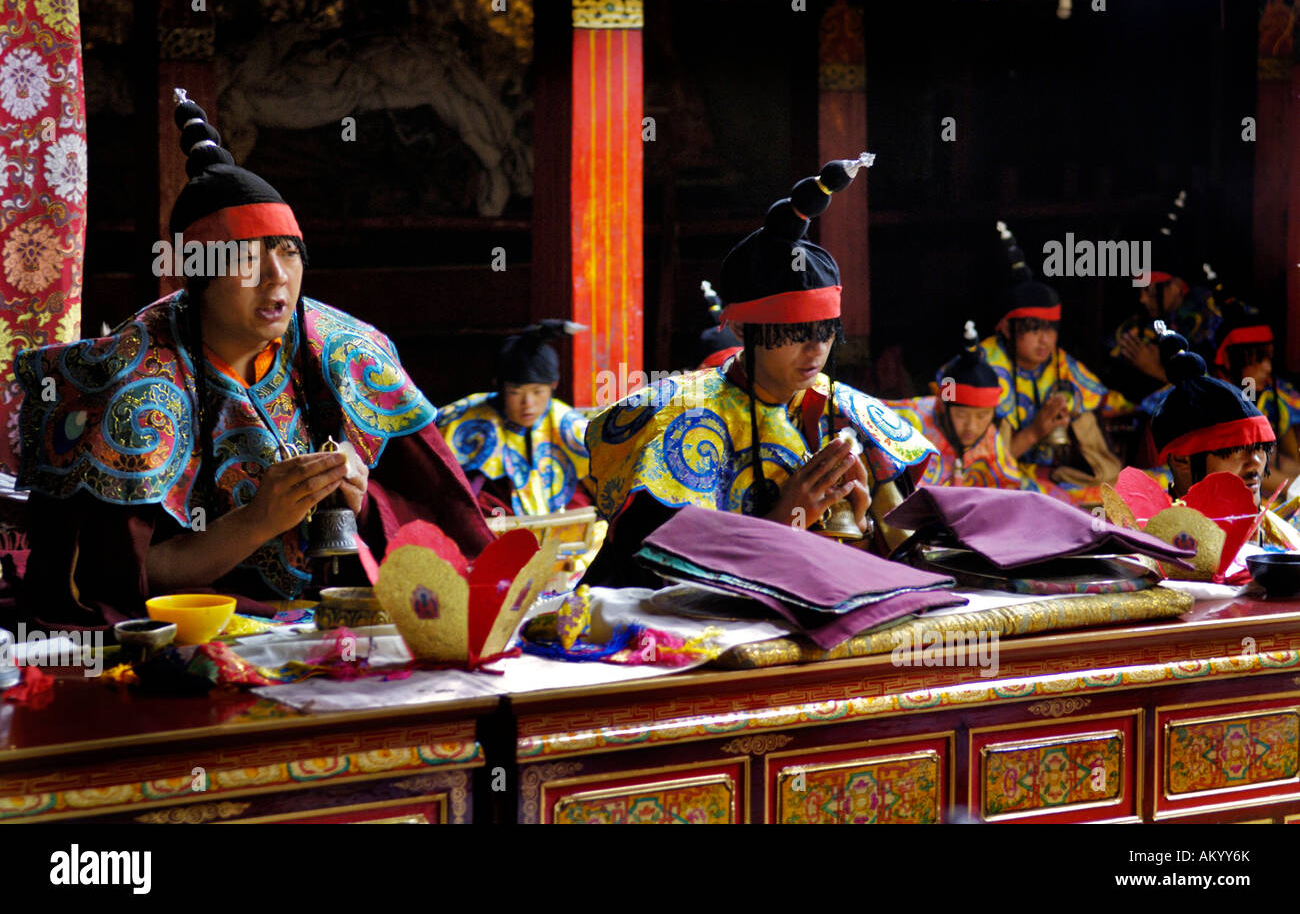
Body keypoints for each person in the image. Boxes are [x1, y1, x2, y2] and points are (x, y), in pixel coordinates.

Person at [13, 91, 493, 629]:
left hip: (335, 622)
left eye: (288, 251)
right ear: (198, 276)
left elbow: (440, 527)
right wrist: (258, 521)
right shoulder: (136, 379)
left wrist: (360, 503)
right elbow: (118, 580)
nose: (277, 277)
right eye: (246, 256)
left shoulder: (342, 349)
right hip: (210, 633)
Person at [582, 155, 937, 588]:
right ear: (743, 326)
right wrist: (785, 519)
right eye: (793, 333)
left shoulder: (851, 414)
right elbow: (658, 580)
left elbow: (907, 564)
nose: (815, 349)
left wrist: (859, 525)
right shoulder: (679, 416)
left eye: (826, 332)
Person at [978, 221, 1130, 507]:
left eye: (1050, 329)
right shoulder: (988, 364)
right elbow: (984, 460)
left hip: (1050, 472)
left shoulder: (1059, 362)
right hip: (1003, 473)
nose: (1044, 340)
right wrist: (1036, 431)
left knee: (1088, 421)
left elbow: (1106, 401)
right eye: (1033, 329)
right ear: (1007, 330)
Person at [1151, 331, 1300, 548]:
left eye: (1260, 448)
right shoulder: (1147, 538)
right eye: (1234, 450)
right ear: (1182, 460)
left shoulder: (1284, 540)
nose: (1257, 462)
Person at [437, 320, 595, 516]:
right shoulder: (472, 417)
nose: (528, 402)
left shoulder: (565, 421)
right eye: (515, 392)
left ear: (553, 385)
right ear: (499, 386)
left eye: (538, 392)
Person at [1110, 192, 1221, 399]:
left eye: (1150, 291)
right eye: (1140, 291)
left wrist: (1156, 370)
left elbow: (1213, 392)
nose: (1142, 299)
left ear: (1177, 286)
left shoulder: (1208, 322)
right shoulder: (1138, 325)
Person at [888, 321, 1022, 489]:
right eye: (961, 415)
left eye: (982, 416)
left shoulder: (989, 437)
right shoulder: (908, 421)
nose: (971, 427)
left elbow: (1008, 486)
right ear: (943, 405)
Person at [1211, 299, 1300, 500]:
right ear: (1227, 358)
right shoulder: (1213, 401)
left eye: (1269, 358)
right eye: (1258, 359)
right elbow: (1244, 468)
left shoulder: (1256, 394)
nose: (1267, 368)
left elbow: (1274, 460)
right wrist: (1295, 492)